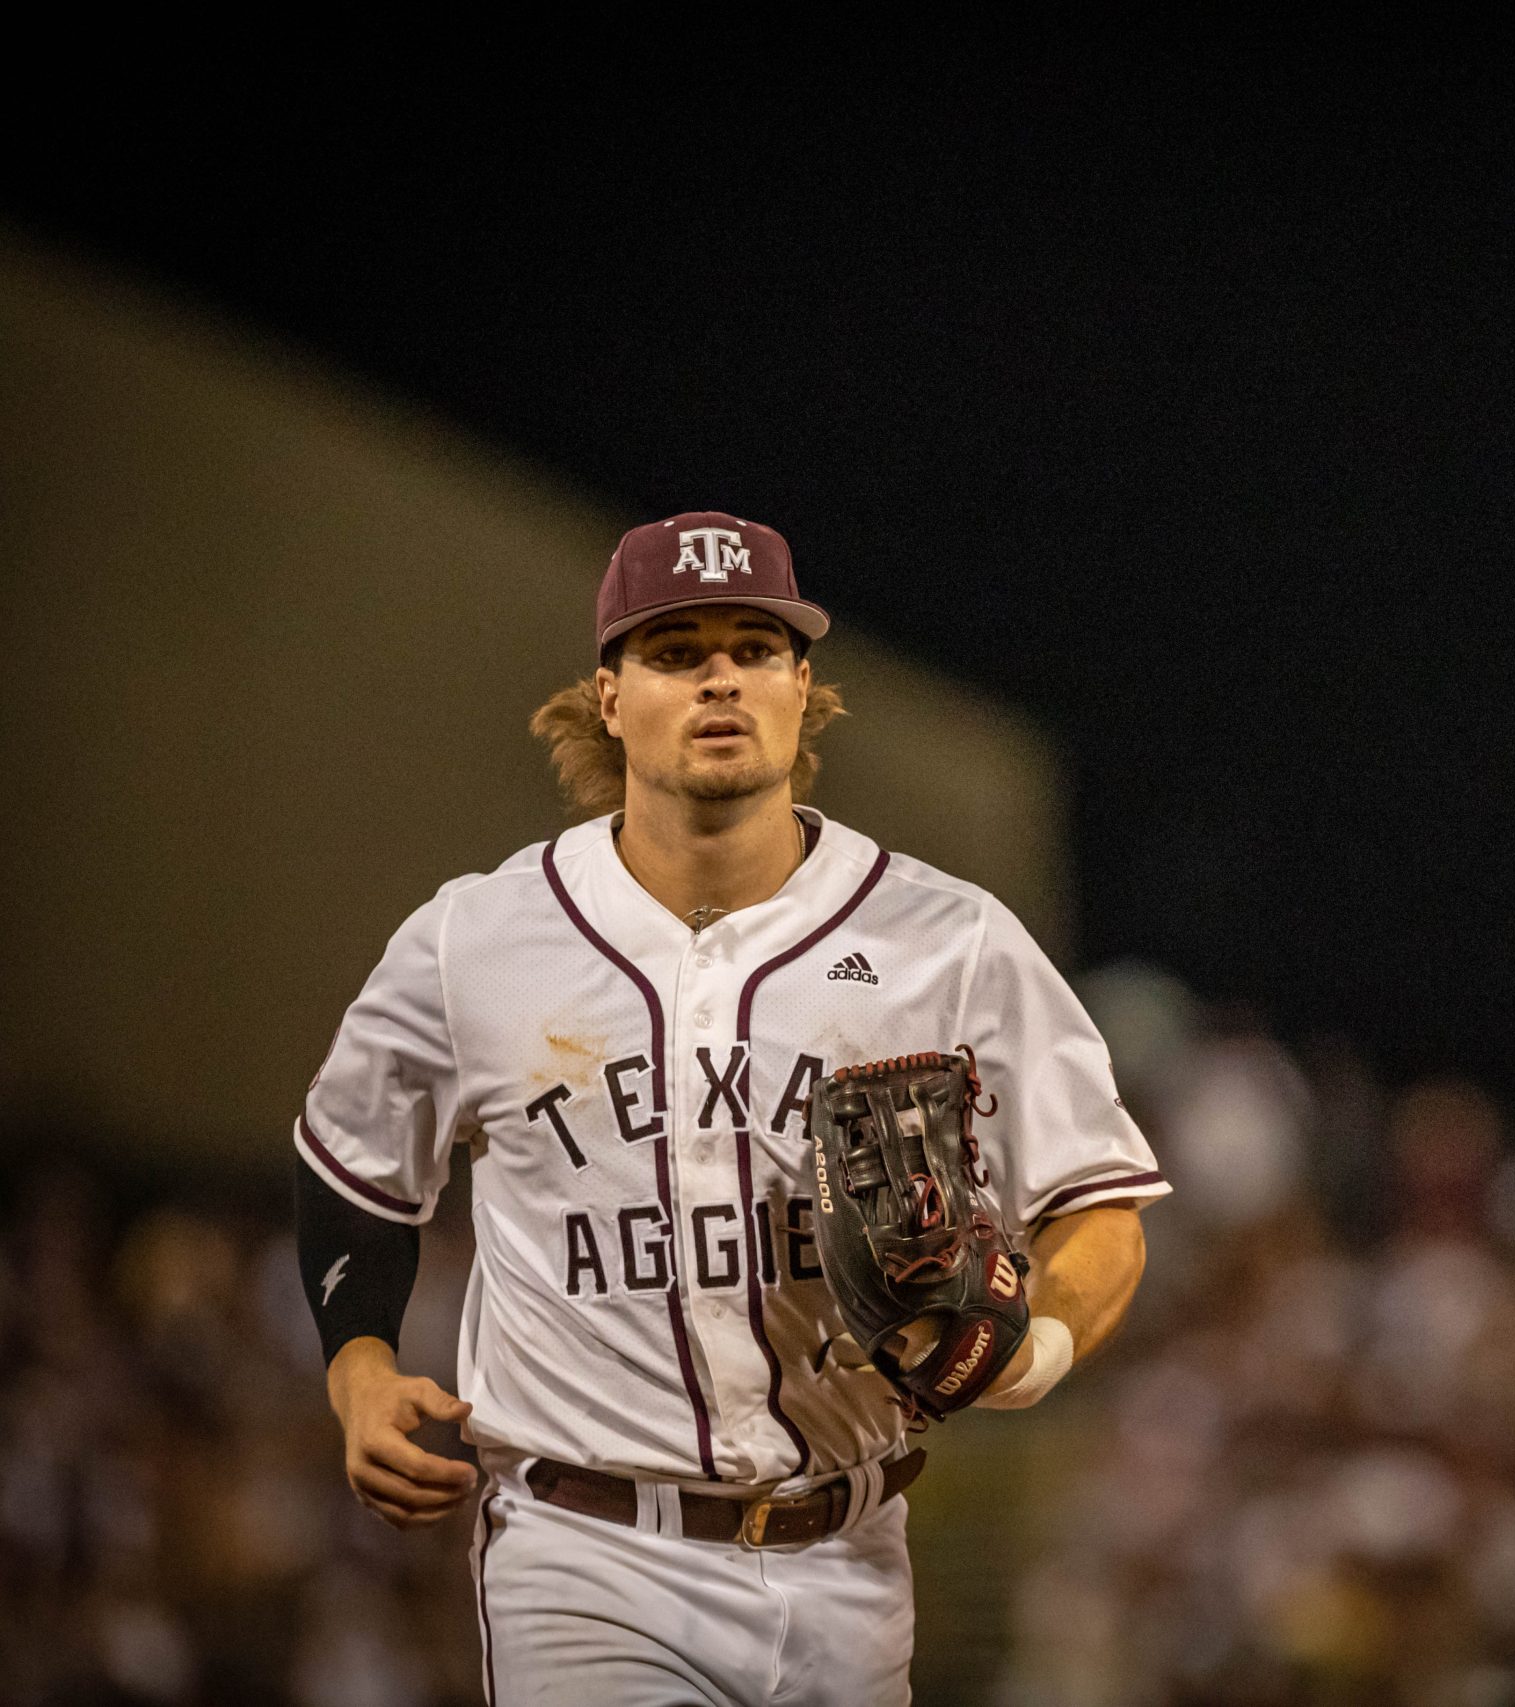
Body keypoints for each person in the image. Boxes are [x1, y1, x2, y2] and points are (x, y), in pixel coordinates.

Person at [291, 511, 1167, 1704]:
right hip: (584, 1551)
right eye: (674, 649)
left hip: (851, 1558)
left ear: (803, 689)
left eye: (755, 647)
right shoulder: (475, 940)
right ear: (607, 697)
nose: (720, 676)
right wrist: (359, 1370)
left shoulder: (948, 939)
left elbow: (1098, 1207)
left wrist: (1032, 1353)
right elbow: (353, 1168)